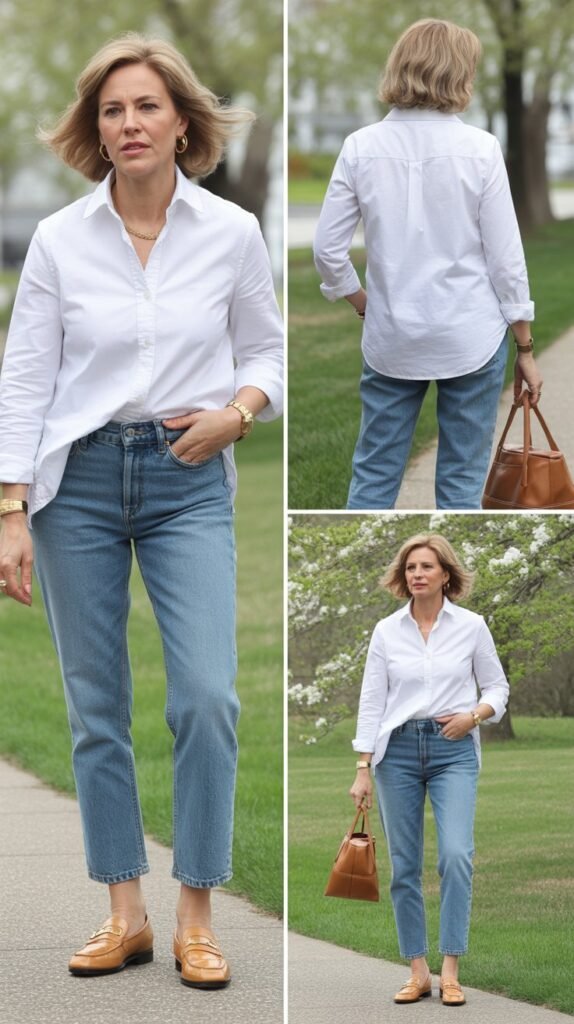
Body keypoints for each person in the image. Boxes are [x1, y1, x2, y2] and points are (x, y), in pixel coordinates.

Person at [0, 33, 283, 988]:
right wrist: (10, 507)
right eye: (112, 110)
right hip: (74, 482)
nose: (129, 123)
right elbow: (26, 375)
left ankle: (197, 916)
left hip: (186, 476)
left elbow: (268, 357)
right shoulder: (58, 240)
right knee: (97, 707)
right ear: (96, 128)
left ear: (183, 121)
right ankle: (125, 915)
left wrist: (235, 418)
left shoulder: (233, 234)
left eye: (146, 106)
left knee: (208, 696)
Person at [313, 19, 543, 510]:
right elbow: (506, 259)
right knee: (462, 481)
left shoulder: (360, 146)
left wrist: (361, 303)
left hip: (392, 337)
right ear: (458, 74)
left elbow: (328, 252)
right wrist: (525, 345)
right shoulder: (480, 149)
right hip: (471, 337)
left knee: (373, 476)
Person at [350, 533, 509, 1006]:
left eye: (427, 566)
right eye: (411, 567)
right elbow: (372, 702)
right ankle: (417, 971)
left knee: (457, 855)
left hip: (453, 749)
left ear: (446, 575)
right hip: (394, 753)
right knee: (404, 867)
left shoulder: (472, 626)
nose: (417, 573)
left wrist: (474, 716)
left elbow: (497, 688)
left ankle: (451, 969)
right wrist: (363, 766)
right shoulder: (386, 631)